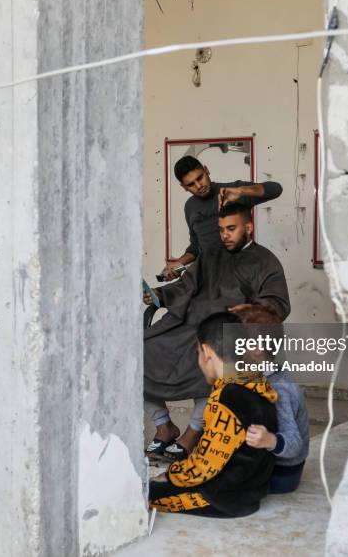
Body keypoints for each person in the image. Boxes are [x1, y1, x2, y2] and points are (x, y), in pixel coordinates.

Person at [144, 203, 290, 460]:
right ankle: (164, 426)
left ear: (248, 227)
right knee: (134, 357)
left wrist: (250, 310)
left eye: (231, 229)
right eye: (222, 229)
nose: (225, 235)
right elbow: (185, 286)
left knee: (211, 369)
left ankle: (192, 433)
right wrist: (159, 294)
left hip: (227, 332)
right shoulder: (210, 255)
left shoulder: (265, 261)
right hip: (186, 325)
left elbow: (278, 304)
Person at [149, 312, 278, 518]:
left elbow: (204, 466)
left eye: (198, 353)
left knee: (141, 494)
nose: (199, 361)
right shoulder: (258, 383)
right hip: (249, 494)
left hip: (221, 498)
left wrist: (169, 476)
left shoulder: (228, 397)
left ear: (207, 352)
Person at [161, 156, 283, 280]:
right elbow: (195, 244)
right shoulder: (190, 207)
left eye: (200, 178)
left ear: (206, 170)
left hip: (242, 274)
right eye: (191, 184)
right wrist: (180, 263)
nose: (198, 186)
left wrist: (242, 191)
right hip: (211, 278)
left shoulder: (233, 191)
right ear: (183, 187)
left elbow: (276, 189)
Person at [238, 304, 309, 494]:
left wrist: (269, 440)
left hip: (282, 474)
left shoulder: (278, 387)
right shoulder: (257, 374)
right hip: (270, 465)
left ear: (257, 348)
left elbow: (294, 444)